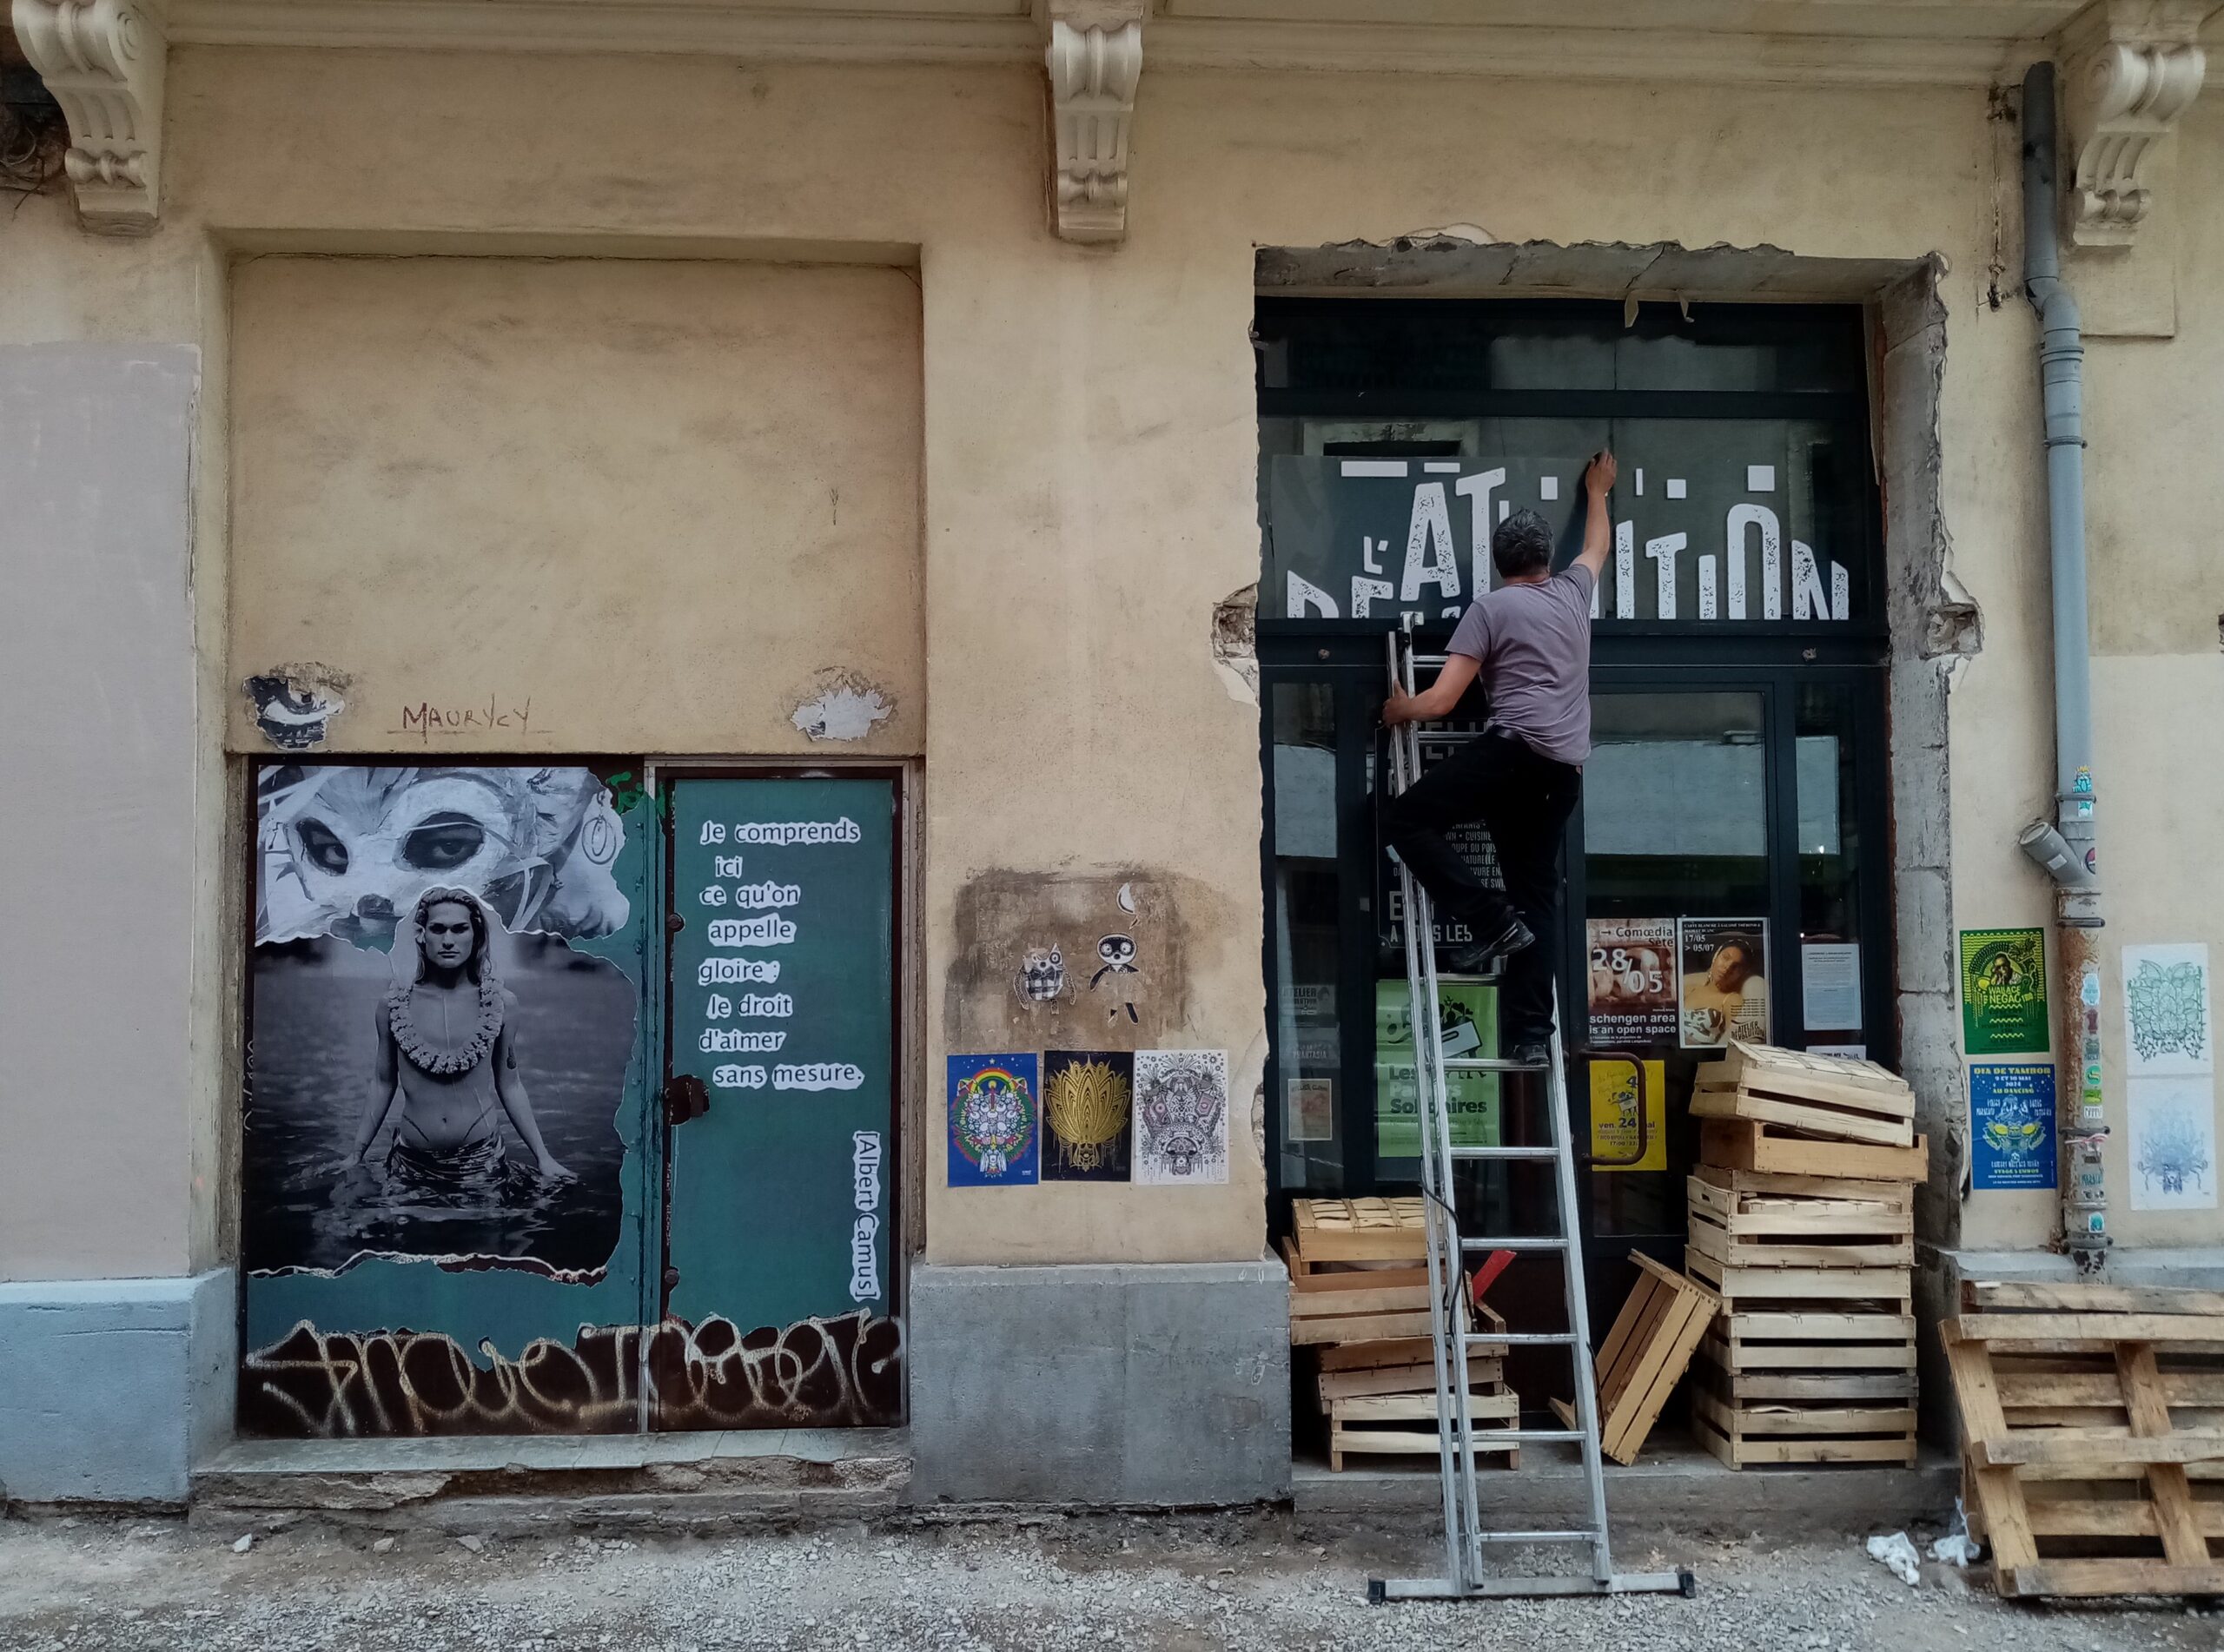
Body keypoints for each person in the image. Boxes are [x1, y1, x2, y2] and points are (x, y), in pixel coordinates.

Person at [1381, 450, 1616, 1065]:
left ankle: (1488, 921)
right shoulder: (1573, 593)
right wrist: (1598, 491)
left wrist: (1395, 710)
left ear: (1499, 563)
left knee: (1404, 820)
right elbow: (1596, 548)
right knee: (1536, 897)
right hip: (1561, 774)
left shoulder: (1490, 609)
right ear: (1544, 561)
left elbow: (1441, 701)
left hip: (1512, 756)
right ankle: (1532, 1038)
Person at [337, 886, 573, 1191]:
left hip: (482, 1160)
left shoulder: (502, 1003)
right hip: (410, 1163)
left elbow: (510, 1084)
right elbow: (383, 1082)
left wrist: (543, 1158)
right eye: (438, 929)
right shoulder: (393, 1005)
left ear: (475, 934)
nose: (448, 940)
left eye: (459, 929)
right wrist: (356, 1154)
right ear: (422, 934)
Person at [1680, 938, 1767, 1047]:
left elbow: (1733, 1047)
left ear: (1742, 973)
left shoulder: (1732, 1000)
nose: (1728, 967)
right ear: (1716, 956)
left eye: (1736, 966)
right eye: (1725, 958)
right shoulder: (1690, 989)